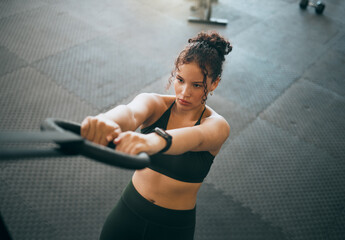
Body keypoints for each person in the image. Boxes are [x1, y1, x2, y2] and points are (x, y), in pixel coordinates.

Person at [81, 31, 232, 240]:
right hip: (128, 212)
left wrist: (151, 141)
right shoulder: (155, 104)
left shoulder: (217, 125)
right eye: (180, 80)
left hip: (173, 228)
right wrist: (106, 120)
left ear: (214, 83)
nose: (184, 92)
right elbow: (130, 112)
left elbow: (194, 137)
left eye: (196, 85)